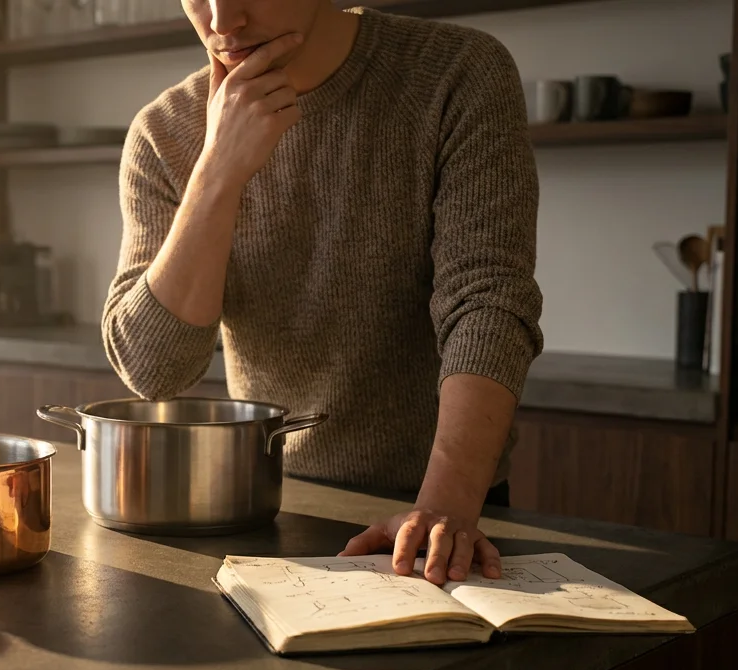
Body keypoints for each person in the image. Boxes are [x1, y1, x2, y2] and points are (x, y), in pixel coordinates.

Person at [101, 0, 544, 586]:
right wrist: (217, 169)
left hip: (449, 504)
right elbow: (153, 369)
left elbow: (488, 302)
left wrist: (442, 507)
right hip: (272, 509)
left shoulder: (458, 72)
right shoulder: (165, 133)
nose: (221, 20)